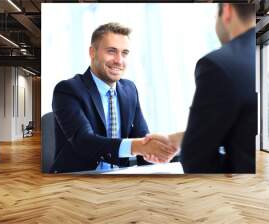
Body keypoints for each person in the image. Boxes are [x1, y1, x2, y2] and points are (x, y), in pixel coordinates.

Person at [145, 3, 257, 173]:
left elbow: (196, 159)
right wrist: (178, 139)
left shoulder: (220, 64)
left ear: (227, 11)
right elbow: (245, 130)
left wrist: (191, 144)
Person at [51, 23, 177, 173]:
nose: (119, 60)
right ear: (93, 52)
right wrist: (138, 146)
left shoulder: (129, 89)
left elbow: (142, 137)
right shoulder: (68, 90)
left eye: (124, 53)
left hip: (119, 176)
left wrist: (156, 156)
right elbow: (84, 142)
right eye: (111, 51)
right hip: (77, 178)